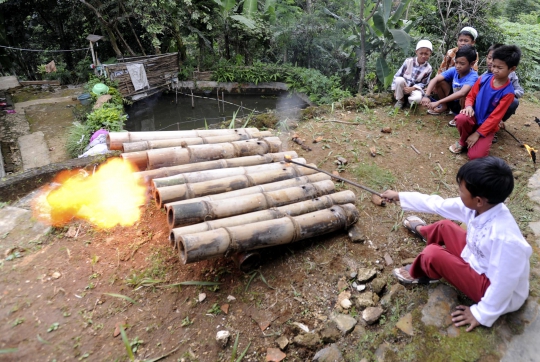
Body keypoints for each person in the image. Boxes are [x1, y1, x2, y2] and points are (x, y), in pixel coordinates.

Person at [381, 156, 532, 332]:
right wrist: (400, 196)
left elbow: (504, 284)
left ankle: (424, 272)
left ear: (478, 200)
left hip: (492, 289)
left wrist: (481, 313)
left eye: (461, 191)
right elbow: (437, 204)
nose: (458, 195)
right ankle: (425, 232)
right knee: (445, 225)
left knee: (432, 253)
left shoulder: (505, 238)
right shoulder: (481, 206)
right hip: (479, 259)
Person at [449, 45, 521, 159]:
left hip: (488, 126)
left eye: (500, 68)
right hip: (473, 117)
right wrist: (468, 106)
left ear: (512, 69)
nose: (495, 70)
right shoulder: (483, 79)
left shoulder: (508, 93)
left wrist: (477, 134)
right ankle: (463, 141)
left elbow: (495, 118)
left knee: (475, 156)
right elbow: (471, 96)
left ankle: (476, 137)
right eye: (493, 66)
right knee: (462, 118)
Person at [421, 45, 478, 115]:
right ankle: (444, 107)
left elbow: (462, 93)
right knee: (439, 82)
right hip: (453, 100)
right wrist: (426, 96)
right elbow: (435, 79)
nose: (458, 66)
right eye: (456, 62)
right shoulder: (454, 70)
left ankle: (461, 115)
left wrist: (438, 102)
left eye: (462, 64)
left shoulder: (473, 76)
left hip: (464, 104)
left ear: (472, 64)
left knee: (465, 95)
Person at [483, 43, 524, 123]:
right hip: (486, 105)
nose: (491, 62)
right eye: (489, 58)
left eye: (494, 59)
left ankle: (497, 121)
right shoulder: (483, 77)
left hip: (503, 103)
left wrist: (505, 94)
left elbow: (520, 91)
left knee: (514, 102)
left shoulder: (511, 75)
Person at [392, 40, 433, 109]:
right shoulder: (408, 61)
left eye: (426, 54)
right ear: (416, 52)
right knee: (399, 80)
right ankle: (401, 100)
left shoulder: (428, 68)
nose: (423, 56)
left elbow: (423, 83)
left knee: (417, 98)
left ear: (430, 54)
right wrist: (395, 90)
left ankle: (408, 102)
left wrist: (413, 88)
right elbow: (398, 75)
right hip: (404, 87)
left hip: (415, 89)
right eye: (421, 53)